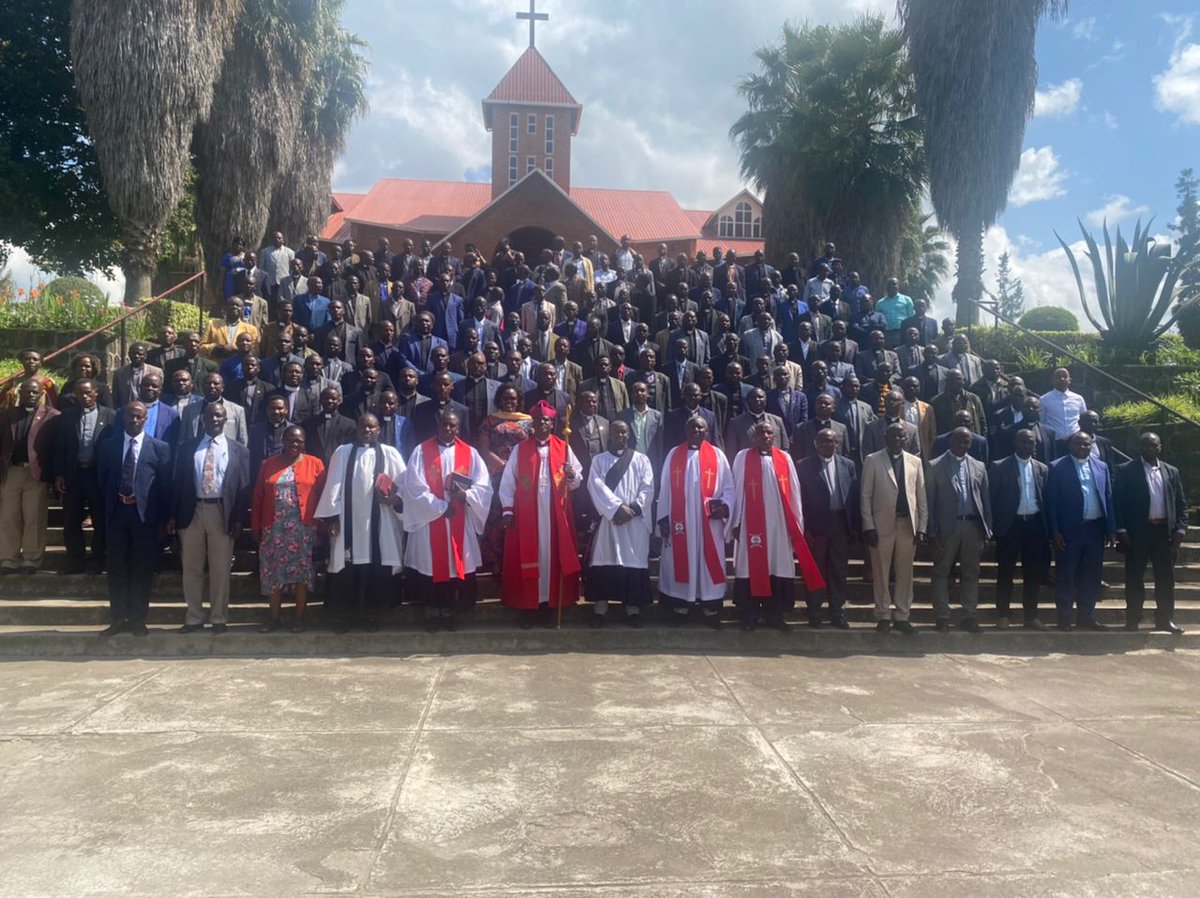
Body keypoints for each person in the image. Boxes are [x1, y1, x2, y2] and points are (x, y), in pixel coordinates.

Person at [728, 419, 824, 631]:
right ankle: (751, 613)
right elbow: (734, 491)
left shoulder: (785, 459)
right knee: (751, 566)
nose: (766, 437)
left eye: (770, 433)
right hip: (751, 524)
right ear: (755, 436)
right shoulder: (743, 457)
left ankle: (775, 614)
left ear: (776, 436)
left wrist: (796, 524)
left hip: (780, 525)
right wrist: (736, 521)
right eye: (762, 433)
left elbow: (795, 492)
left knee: (778, 565)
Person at [403, 408, 493, 632]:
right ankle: (433, 612)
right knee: (431, 567)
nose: (448, 429)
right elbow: (414, 487)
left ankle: (451, 612)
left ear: (459, 428)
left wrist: (467, 496)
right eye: (445, 425)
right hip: (431, 520)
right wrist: (441, 508)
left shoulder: (470, 453)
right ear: (438, 425)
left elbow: (484, 485)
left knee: (455, 567)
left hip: (459, 521)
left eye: (453, 425)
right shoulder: (421, 451)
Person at [316, 413, 407, 633]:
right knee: (345, 566)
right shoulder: (343, 452)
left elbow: (403, 485)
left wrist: (395, 500)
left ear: (379, 430)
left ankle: (373, 616)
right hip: (348, 525)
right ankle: (344, 617)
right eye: (364, 426)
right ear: (356, 429)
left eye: (372, 427)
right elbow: (333, 486)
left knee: (377, 564)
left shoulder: (390, 453)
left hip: (381, 523)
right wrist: (331, 518)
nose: (368, 430)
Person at [498, 401, 583, 627]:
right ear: (533, 424)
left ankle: (551, 606)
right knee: (530, 559)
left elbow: (576, 483)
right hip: (528, 515)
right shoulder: (520, 449)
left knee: (553, 558)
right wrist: (508, 509)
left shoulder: (563, 446)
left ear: (552, 423)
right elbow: (508, 482)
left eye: (546, 420)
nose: (542, 423)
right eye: (538, 420)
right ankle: (528, 609)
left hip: (555, 515)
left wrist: (572, 473)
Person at [169, 403, 251, 634]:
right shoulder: (187, 448)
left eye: (219, 415)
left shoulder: (239, 450)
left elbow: (243, 487)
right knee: (191, 568)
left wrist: (238, 519)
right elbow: (178, 483)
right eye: (210, 415)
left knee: (220, 569)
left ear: (226, 419)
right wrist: (173, 515)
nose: (214, 419)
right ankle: (193, 617)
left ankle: (218, 617)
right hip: (192, 511)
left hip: (222, 514)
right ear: (203, 419)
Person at [96, 402, 172, 636]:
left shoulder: (160, 448)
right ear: (123, 418)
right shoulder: (108, 446)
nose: (134, 420)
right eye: (130, 416)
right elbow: (102, 480)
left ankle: (138, 618)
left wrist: (165, 518)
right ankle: (118, 618)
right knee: (116, 568)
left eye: (139, 417)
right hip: (118, 513)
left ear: (146, 419)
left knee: (142, 569)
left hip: (144, 517)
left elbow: (165, 486)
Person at [657, 416, 734, 628]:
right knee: (681, 560)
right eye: (693, 427)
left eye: (701, 428)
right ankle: (681, 606)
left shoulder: (717, 456)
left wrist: (725, 506)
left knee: (709, 562)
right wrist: (663, 518)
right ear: (686, 430)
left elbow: (728, 487)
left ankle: (710, 608)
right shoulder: (674, 454)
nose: (697, 431)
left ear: (707, 431)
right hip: (681, 523)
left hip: (710, 523)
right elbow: (664, 489)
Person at [251, 425, 325, 633]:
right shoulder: (268, 464)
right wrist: (255, 526)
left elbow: (323, 497)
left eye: (299, 441)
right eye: (290, 440)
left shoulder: (315, 464)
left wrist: (321, 527)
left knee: (302, 575)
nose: (294, 444)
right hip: (273, 530)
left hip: (303, 530)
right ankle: (274, 618)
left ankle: (299, 618)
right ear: (283, 442)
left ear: (304, 444)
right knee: (274, 574)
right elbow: (258, 498)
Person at [584, 421, 656, 628]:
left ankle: (633, 610)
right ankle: (600, 609)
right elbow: (595, 485)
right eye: (616, 432)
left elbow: (648, 487)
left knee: (633, 562)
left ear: (628, 435)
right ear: (610, 435)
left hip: (634, 523)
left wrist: (631, 510)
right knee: (604, 560)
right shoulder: (599, 460)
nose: (620, 435)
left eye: (624, 432)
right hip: (609, 520)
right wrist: (616, 509)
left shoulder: (641, 460)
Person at [1115, 432, 1188, 634]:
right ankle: (1133, 619)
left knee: (1165, 578)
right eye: (1145, 445)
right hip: (1137, 533)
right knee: (1134, 577)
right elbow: (1118, 504)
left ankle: (1165, 619)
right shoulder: (1126, 470)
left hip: (1165, 533)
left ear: (1160, 447)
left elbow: (1181, 504)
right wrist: (1121, 529)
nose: (1149, 449)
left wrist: (1181, 528)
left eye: (1153, 445)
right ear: (1139, 448)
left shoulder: (1171, 471)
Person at [861, 422, 928, 635]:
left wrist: (922, 526)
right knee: (880, 571)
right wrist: (868, 526)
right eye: (893, 436)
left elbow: (921, 497)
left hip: (907, 525)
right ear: (885, 438)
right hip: (881, 526)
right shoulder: (872, 460)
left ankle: (902, 615)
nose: (897, 440)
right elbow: (865, 496)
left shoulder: (915, 462)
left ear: (906, 439)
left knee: (905, 572)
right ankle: (882, 615)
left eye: (901, 437)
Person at [1046, 431, 1116, 631]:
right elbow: (1051, 503)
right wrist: (1055, 531)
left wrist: (1111, 528)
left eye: (1086, 444)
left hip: (1095, 529)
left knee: (1091, 576)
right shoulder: (1057, 467)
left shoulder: (1101, 466)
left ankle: (1086, 616)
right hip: (1069, 530)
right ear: (1070, 445)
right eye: (1078, 444)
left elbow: (1108, 498)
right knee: (1066, 575)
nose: (1082, 448)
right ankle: (1065, 617)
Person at [926, 427, 993, 633]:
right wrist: (931, 531)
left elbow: (985, 501)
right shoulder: (934, 466)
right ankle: (942, 615)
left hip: (972, 526)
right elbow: (930, 501)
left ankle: (969, 615)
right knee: (941, 571)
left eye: (967, 441)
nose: (963, 445)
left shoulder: (979, 466)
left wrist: (987, 530)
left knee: (971, 572)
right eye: (959, 440)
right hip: (947, 527)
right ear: (950, 441)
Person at [798, 428, 859, 629]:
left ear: (837, 443)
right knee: (816, 570)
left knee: (838, 569)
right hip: (816, 526)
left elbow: (854, 497)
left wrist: (855, 527)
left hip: (840, 524)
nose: (827, 444)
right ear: (816, 443)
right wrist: (804, 527)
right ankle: (814, 611)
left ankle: (837, 612)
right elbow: (800, 500)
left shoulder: (848, 465)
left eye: (831, 441)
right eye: (823, 441)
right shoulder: (804, 466)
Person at [989, 428, 1050, 630]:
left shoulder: (1042, 469)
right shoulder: (999, 467)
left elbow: (1046, 500)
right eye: (1023, 442)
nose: (1027, 446)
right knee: (1005, 572)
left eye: (1031, 442)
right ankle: (1003, 615)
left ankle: (1031, 616)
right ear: (1015, 443)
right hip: (1010, 526)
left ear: (1035, 445)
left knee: (1032, 574)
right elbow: (991, 500)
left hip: (1034, 526)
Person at [55, 380, 117, 574]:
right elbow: (59, 447)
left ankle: (98, 557)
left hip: (97, 475)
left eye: (89, 393)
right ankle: (75, 559)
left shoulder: (110, 415)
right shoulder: (67, 416)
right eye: (81, 394)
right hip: (74, 474)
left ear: (96, 393)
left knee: (99, 517)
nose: (85, 397)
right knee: (72, 518)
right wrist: (58, 474)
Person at [0, 379, 60, 574]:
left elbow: (55, 447)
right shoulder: (8, 415)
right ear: (20, 394)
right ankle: (9, 558)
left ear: (41, 393)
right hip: (12, 471)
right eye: (27, 392)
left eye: (35, 392)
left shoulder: (52, 416)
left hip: (36, 473)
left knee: (34, 516)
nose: (31, 395)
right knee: (8, 516)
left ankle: (31, 559)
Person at [111, 342, 164, 408]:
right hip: (126, 411)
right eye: (134, 353)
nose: (136, 356)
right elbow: (115, 397)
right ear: (129, 355)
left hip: (149, 409)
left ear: (145, 356)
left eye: (140, 354)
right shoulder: (119, 373)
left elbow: (161, 394)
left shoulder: (156, 372)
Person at [1040, 367, 1086, 440]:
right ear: (1052, 380)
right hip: (1054, 441)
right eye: (1058, 377)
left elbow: (1084, 420)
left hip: (1075, 441)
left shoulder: (1079, 399)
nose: (1062, 379)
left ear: (1069, 380)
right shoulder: (1044, 399)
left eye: (1065, 376)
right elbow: (1042, 421)